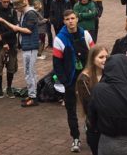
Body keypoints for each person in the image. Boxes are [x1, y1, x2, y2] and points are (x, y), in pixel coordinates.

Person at [53, 10, 95, 152]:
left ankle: (91, 131)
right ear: (64, 21)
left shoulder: (85, 34)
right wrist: (65, 82)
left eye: (72, 18)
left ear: (77, 19)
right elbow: (57, 64)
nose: (70, 21)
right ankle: (75, 138)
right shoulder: (59, 39)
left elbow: (94, 54)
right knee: (71, 111)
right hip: (70, 80)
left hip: (86, 79)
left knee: (90, 107)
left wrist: (91, 73)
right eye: (67, 19)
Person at [0, 0, 41, 107]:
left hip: (30, 46)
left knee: (29, 72)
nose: (16, 10)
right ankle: (32, 94)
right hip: (28, 46)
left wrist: (5, 22)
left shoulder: (29, 13)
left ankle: (33, 97)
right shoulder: (25, 13)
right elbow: (18, 27)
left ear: (21, 6)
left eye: (17, 8)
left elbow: (28, 30)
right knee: (30, 72)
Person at [75, 45, 109, 155]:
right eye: (101, 57)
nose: (104, 60)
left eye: (106, 57)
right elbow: (89, 106)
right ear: (92, 59)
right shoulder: (84, 79)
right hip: (96, 125)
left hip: (111, 124)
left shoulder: (109, 73)